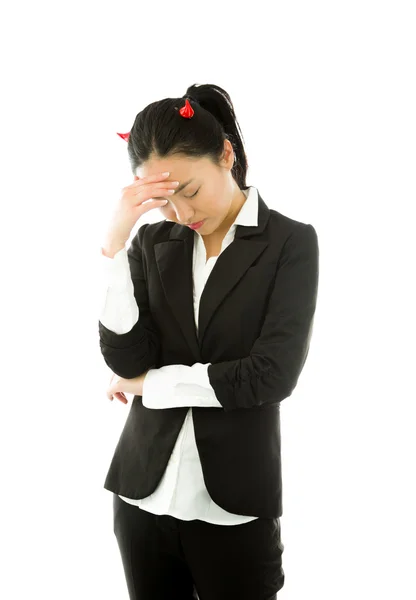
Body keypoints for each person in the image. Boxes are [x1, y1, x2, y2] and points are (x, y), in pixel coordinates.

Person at [98, 83, 319, 600]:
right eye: (161, 202)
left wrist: (150, 384)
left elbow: (272, 374)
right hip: (142, 497)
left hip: (233, 505)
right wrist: (115, 246)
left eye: (190, 192)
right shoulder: (154, 241)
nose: (180, 214)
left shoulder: (290, 242)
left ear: (225, 154)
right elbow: (125, 354)